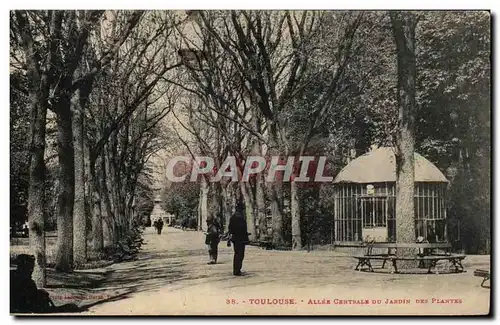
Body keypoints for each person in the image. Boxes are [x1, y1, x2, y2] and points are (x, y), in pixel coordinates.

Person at [10, 254, 79, 313]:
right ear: (23, 267)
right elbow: (32, 305)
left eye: (32, 268)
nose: (32, 270)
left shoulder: (11, 275)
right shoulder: (27, 282)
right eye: (30, 268)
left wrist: (39, 292)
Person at [228, 207, 249, 276]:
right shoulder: (242, 219)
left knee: (237, 254)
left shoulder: (232, 218)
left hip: (235, 239)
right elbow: (244, 230)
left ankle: (236, 270)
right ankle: (237, 270)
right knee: (240, 255)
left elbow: (230, 229)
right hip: (241, 239)